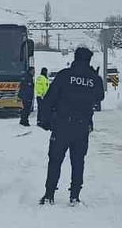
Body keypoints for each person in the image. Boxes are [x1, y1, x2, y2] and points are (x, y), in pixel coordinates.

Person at [38, 46, 105, 205]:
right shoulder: (94, 79)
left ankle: (49, 195)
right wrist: (94, 78)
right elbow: (99, 97)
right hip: (82, 127)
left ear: (75, 58)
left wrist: (45, 121)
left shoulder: (64, 75)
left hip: (61, 125)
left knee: (55, 160)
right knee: (78, 161)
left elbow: (49, 99)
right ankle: (75, 196)